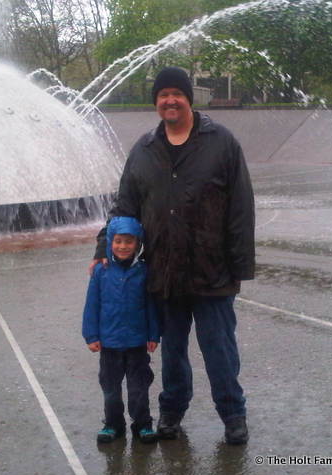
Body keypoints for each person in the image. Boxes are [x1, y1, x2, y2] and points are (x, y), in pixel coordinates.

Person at [90, 66, 255, 445]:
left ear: (188, 98)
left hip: (212, 272)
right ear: (156, 103)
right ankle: (171, 412)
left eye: (176, 93)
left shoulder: (221, 142)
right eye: (162, 94)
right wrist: (104, 246)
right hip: (164, 271)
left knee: (220, 351)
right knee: (172, 355)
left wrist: (239, 266)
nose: (169, 100)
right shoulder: (145, 150)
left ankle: (233, 414)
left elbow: (242, 208)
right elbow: (125, 207)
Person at [83, 216, 160, 444]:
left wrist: (153, 334)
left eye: (129, 242)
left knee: (139, 387)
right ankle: (113, 424)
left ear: (138, 244)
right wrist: (91, 335)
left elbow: (151, 306)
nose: (123, 246)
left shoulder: (144, 271)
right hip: (109, 344)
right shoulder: (101, 272)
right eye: (117, 241)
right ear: (110, 242)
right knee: (110, 389)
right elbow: (92, 305)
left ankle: (143, 424)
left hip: (137, 343)